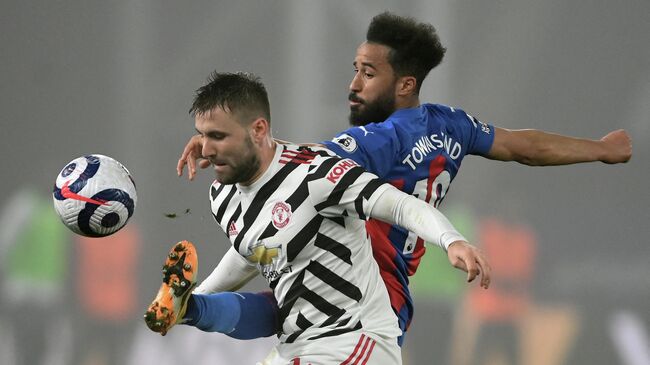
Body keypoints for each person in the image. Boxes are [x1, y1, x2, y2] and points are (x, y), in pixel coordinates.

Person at [173, 11, 632, 348]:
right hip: (387, 293)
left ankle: (195, 305)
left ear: (405, 84)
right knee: (274, 290)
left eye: (368, 73)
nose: (353, 83)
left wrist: (226, 143)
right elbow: (523, 147)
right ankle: (191, 306)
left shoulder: (374, 140)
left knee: (276, 285)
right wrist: (600, 150)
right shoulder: (450, 125)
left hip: (362, 293)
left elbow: (295, 174)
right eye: (355, 68)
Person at [145, 71, 488, 364]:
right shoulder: (222, 195)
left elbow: (399, 206)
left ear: (259, 130)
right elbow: (256, 249)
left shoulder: (318, 173)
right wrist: (190, 299)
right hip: (296, 345)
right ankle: (192, 309)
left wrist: (451, 239)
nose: (205, 149)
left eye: (217, 136)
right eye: (202, 135)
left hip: (355, 340)